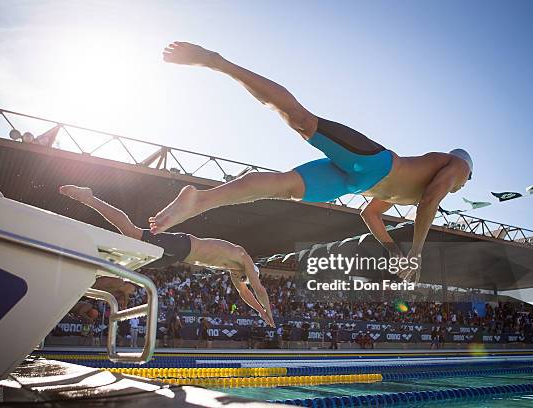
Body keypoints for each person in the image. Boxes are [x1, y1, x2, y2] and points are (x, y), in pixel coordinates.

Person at [149, 42, 474, 283]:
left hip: (355, 182)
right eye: (465, 182)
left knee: (280, 187)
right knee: (301, 119)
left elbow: (371, 213)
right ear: (466, 170)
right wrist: (416, 254)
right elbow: (431, 201)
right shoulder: (456, 166)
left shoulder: (412, 189)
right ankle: (218, 62)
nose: (460, 186)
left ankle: (201, 200)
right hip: (375, 163)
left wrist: (393, 251)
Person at [59, 185, 275, 327]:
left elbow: (246, 293)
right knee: (132, 232)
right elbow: (258, 289)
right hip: (182, 244)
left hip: (176, 256)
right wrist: (268, 311)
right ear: (250, 271)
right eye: (244, 277)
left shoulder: (234, 270)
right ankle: (89, 198)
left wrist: (261, 312)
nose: (240, 281)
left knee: (132, 264)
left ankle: (91, 274)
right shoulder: (242, 256)